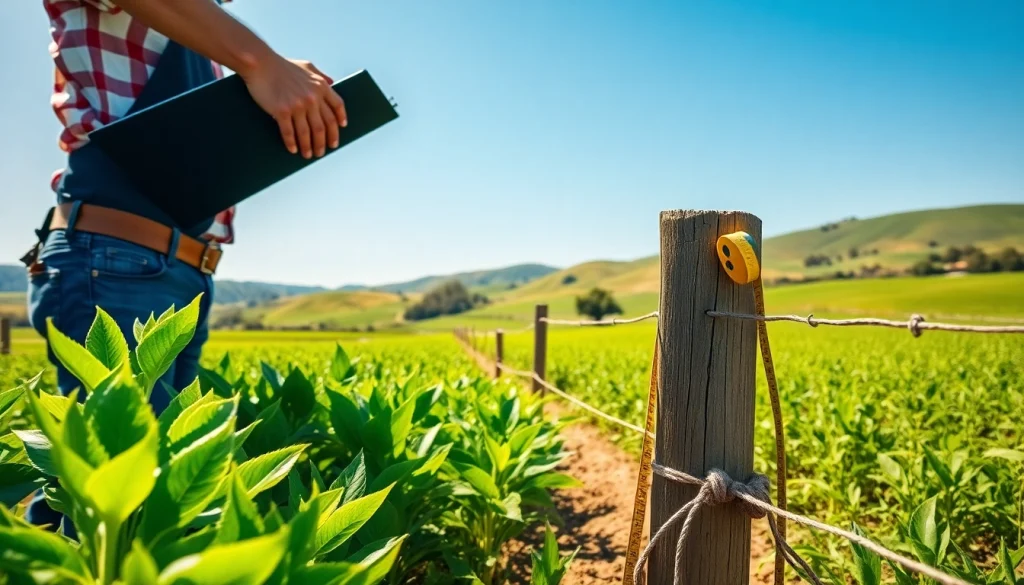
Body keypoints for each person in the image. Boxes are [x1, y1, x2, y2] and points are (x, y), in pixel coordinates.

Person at [24, 0, 347, 531]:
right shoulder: (227, 45)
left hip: (176, 268)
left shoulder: (205, 38)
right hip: (117, 258)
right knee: (106, 508)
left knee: (145, 497)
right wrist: (262, 64)